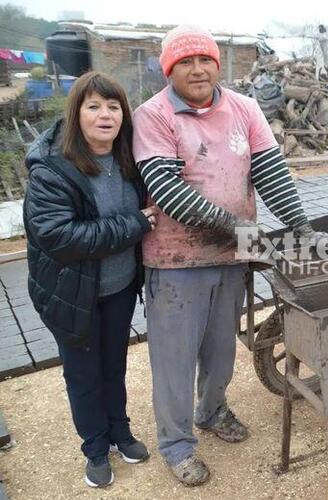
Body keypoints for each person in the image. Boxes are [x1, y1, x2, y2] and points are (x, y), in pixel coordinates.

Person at [132, 25, 328, 486]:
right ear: (169, 70)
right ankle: (177, 445)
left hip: (231, 255)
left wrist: (301, 225)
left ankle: (213, 410)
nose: (197, 69)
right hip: (175, 259)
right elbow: (166, 190)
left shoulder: (244, 108)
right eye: (185, 62)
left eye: (205, 60)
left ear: (217, 64)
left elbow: (271, 172)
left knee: (221, 348)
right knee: (175, 358)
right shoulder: (154, 115)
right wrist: (239, 227)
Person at [23, 71, 158, 488]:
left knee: (113, 367)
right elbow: (59, 237)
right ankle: (96, 448)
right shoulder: (52, 171)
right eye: (94, 106)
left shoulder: (127, 162)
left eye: (114, 106)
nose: (105, 115)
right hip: (71, 295)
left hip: (117, 288)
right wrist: (134, 224)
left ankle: (120, 430)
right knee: (83, 373)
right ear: (76, 113)